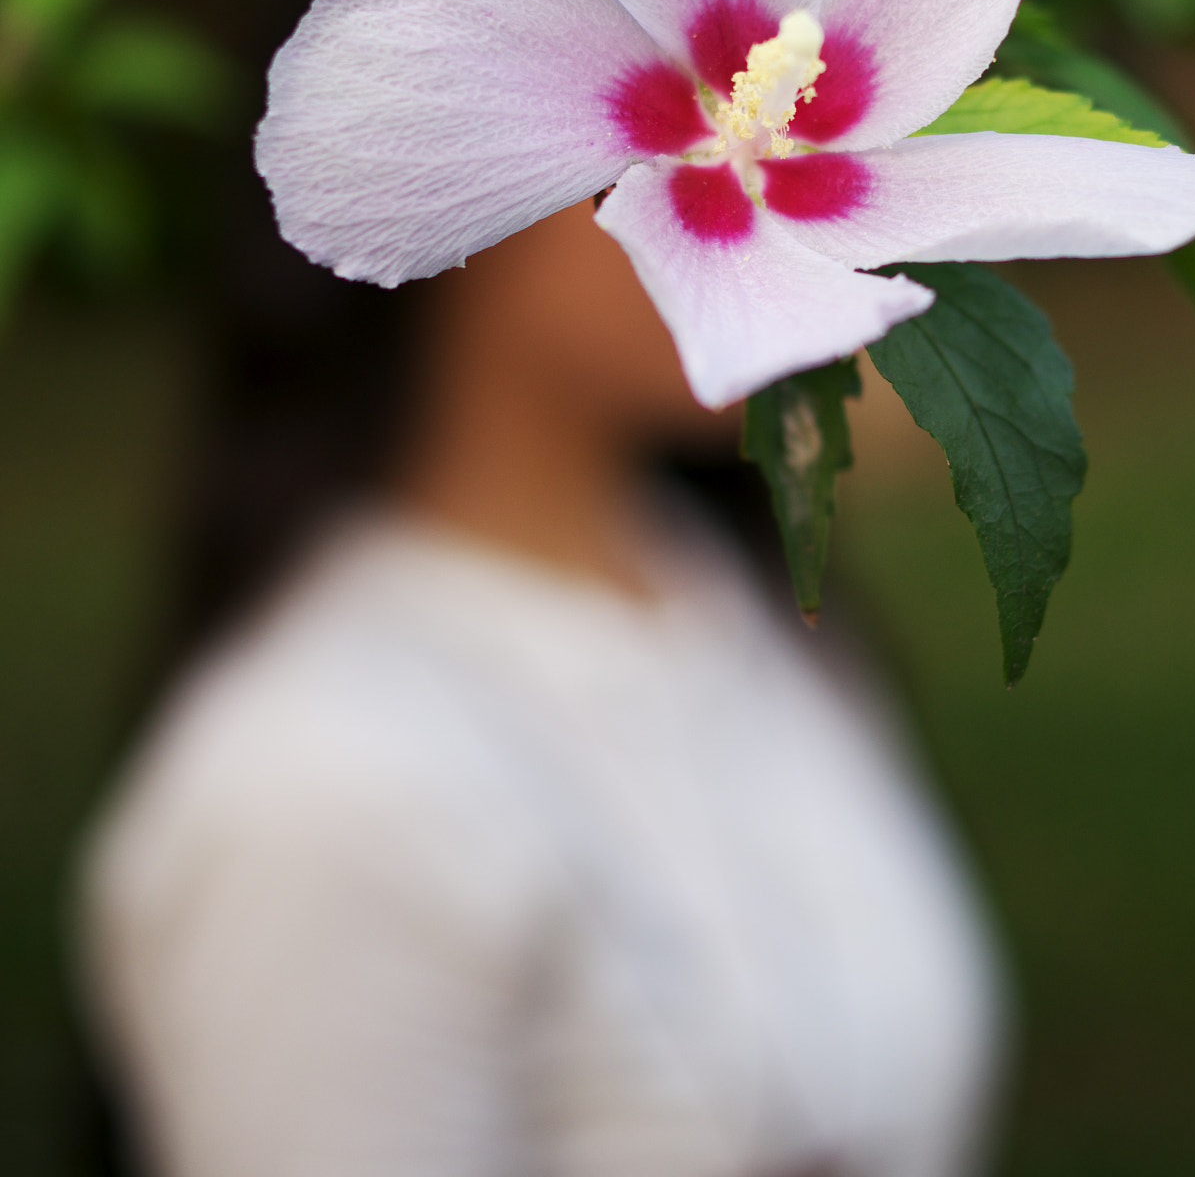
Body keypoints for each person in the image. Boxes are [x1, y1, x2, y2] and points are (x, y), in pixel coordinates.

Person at [77, 188, 1009, 1177]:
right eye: (656, 125)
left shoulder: (734, 590)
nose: (758, 175)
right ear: (443, 147)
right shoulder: (314, 779)